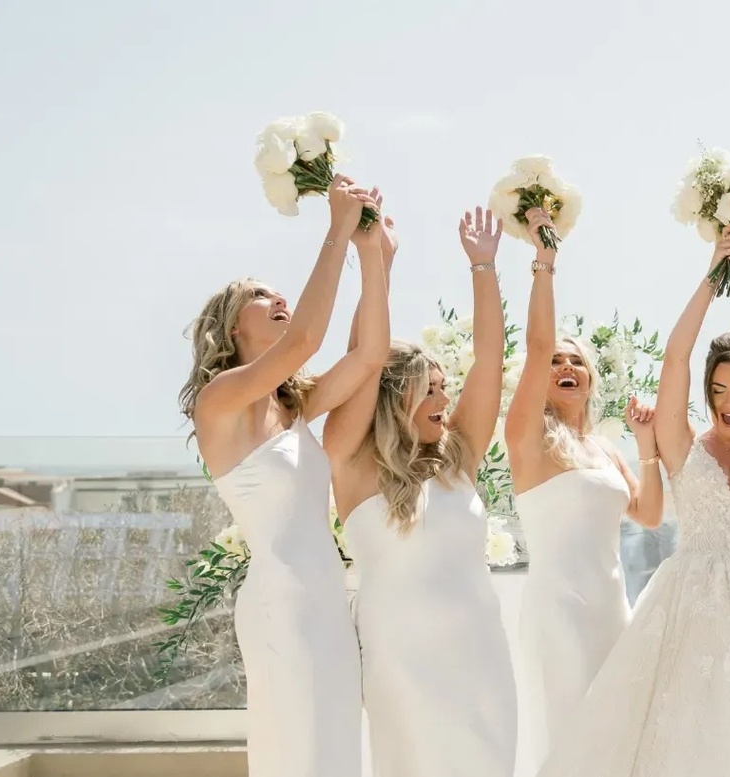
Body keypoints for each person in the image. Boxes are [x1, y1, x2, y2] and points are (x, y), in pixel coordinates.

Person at [542, 233, 730, 777]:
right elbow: (677, 354)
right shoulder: (682, 445)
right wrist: (712, 278)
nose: (727, 403)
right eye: (717, 389)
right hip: (686, 614)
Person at [178, 179, 382, 777]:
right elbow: (306, 340)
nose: (278, 297)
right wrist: (336, 229)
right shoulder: (218, 401)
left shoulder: (290, 407)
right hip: (280, 604)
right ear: (232, 327)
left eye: (277, 291)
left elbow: (369, 357)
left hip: (324, 599)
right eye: (259, 295)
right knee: (300, 750)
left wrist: (374, 256)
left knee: (336, 747)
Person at [329, 206, 517, 777]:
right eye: (426, 389)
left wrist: (484, 267)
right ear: (393, 399)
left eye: (443, 386)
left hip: (480, 651)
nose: (443, 399)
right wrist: (376, 265)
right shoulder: (357, 463)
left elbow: (490, 360)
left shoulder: (458, 460)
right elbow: (361, 360)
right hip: (402, 661)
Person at [503, 208, 662, 777]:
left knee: (615, 734)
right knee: (571, 734)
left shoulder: (606, 448)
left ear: (591, 378)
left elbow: (648, 513)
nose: (564, 364)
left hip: (610, 607)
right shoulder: (526, 435)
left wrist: (647, 443)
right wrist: (545, 263)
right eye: (555, 361)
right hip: (560, 607)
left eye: (577, 361)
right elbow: (539, 341)